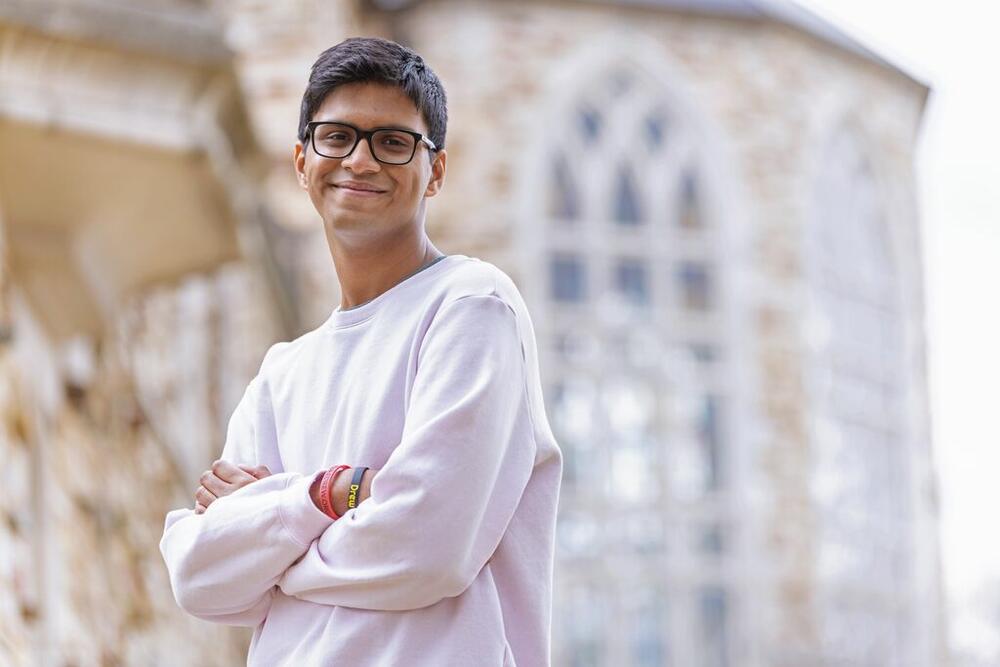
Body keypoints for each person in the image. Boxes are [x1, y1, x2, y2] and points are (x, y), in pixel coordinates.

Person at [159, 36, 563, 666]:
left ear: (436, 171)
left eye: (394, 142)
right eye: (337, 137)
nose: (362, 161)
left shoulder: (471, 306)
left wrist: (271, 547)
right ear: (301, 161)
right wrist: (331, 494)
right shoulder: (280, 374)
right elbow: (200, 577)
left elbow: (428, 546)